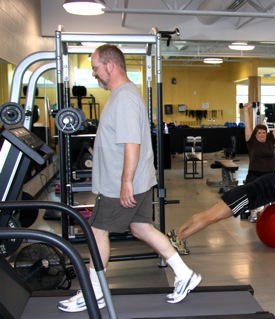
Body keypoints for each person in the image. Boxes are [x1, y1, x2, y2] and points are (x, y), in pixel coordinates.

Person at [58, 45, 201, 313]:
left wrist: (125, 182)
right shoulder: (120, 95)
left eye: (96, 68)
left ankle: (94, 292)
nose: (95, 74)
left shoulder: (124, 97)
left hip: (120, 184)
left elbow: (131, 144)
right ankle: (185, 274)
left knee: (98, 232)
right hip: (135, 181)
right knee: (141, 228)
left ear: (110, 66)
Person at [167, 159, 275, 245]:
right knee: (209, 219)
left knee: (207, 216)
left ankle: (176, 232)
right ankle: (179, 239)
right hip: (243, 198)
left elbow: (274, 198)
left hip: (239, 192)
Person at [242, 102, 275, 222]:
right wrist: (245, 110)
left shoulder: (271, 140)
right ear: (255, 135)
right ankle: (253, 213)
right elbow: (247, 126)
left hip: (270, 173)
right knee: (254, 194)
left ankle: (267, 214)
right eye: (259, 133)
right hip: (255, 173)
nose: (262, 135)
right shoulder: (251, 141)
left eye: (264, 132)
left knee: (271, 195)